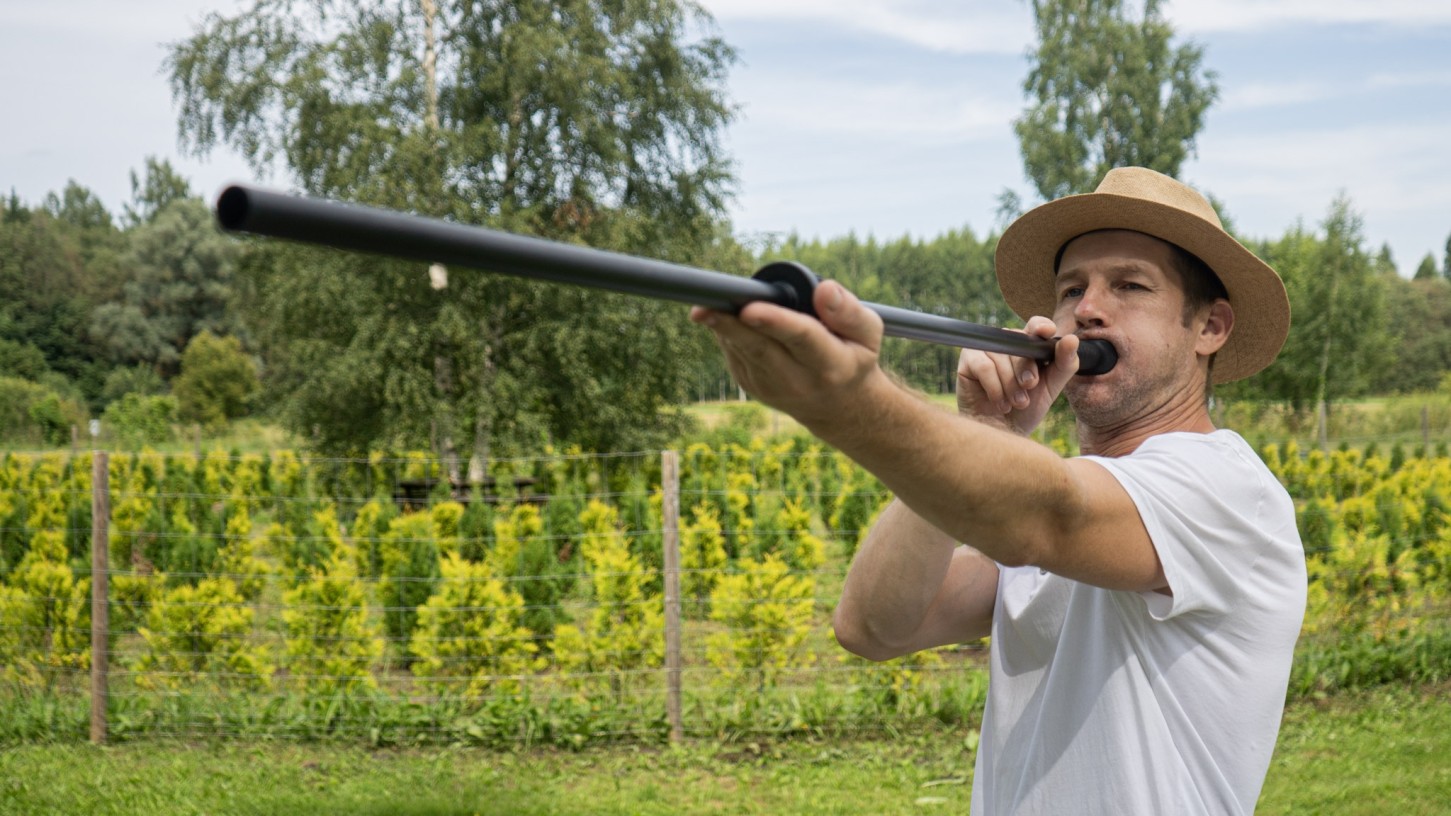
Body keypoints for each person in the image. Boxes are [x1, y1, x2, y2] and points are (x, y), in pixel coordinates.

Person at [689, 167, 1306, 815]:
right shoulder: (1042, 512)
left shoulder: (1225, 489)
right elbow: (872, 626)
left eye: (1129, 285)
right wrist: (983, 428)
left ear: (1209, 327)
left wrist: (848, 403)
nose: (1088, 309)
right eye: (1072, 289)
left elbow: (1050, 516)